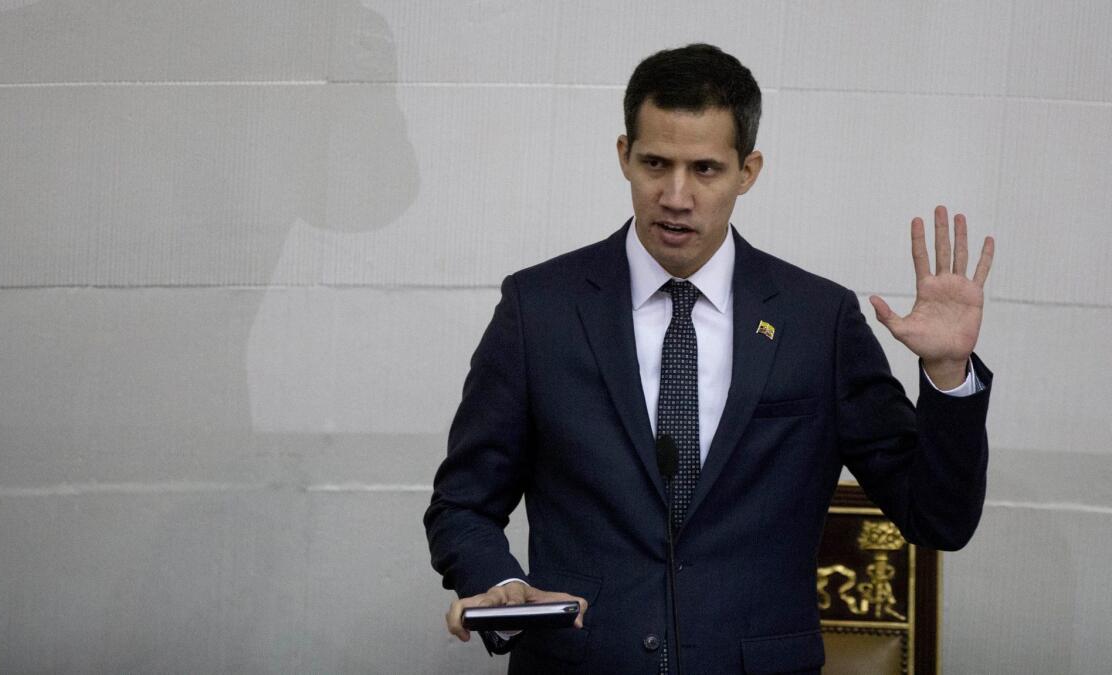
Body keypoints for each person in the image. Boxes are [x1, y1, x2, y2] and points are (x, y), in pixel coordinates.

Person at [424, 43, 994, 674]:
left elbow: (938, 518)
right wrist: (500, 584)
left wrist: (947, 377)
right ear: (624, 157)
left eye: (704, 169)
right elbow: (463, 503)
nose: (675, 195)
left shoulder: (818, 320)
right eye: (655, 163)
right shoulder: (540, 309)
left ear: (747, 171)